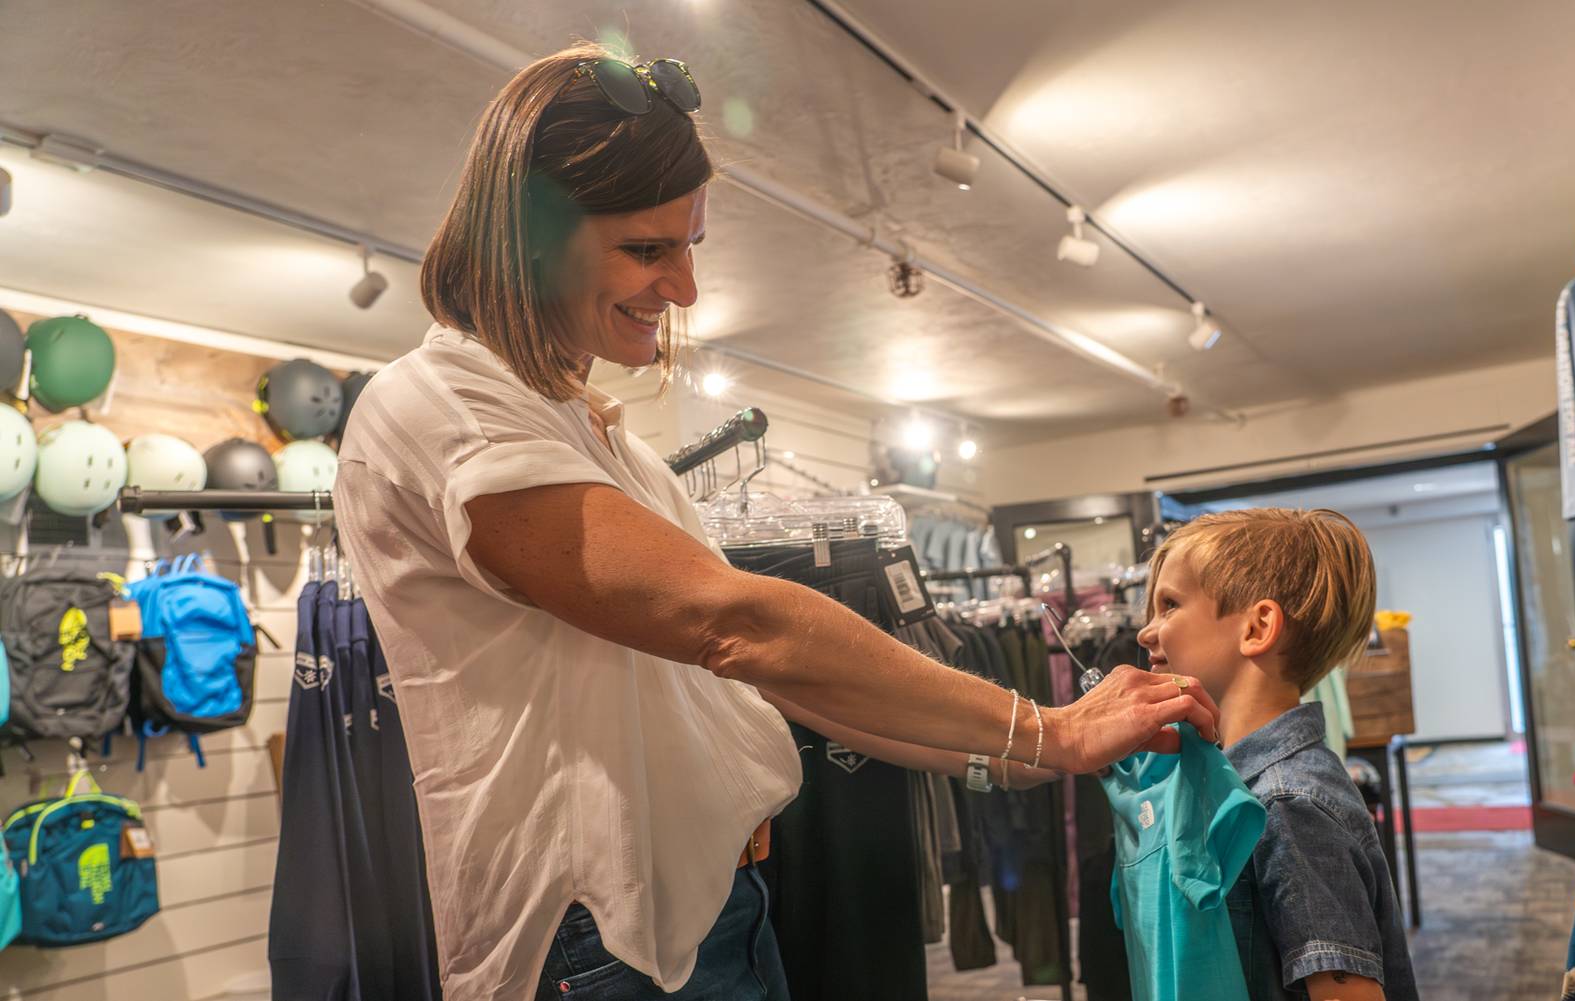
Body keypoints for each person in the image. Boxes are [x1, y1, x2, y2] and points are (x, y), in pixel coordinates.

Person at [330, 42, 1222, 1001]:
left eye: (689, 247)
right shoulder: (446, 406)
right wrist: (1045, 727)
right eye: (646, 250)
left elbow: (785, 684)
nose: (684, 289)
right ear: (524, 235)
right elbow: (736, 624)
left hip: (705, 912)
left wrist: (1024, 755)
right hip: (598, 943)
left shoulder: (606, 445)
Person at [1137, 509, 1419, 1001]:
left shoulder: (1287, 806)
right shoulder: (1237, 785)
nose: (1146, 632)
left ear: (1258, 627)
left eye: (1169, 606)